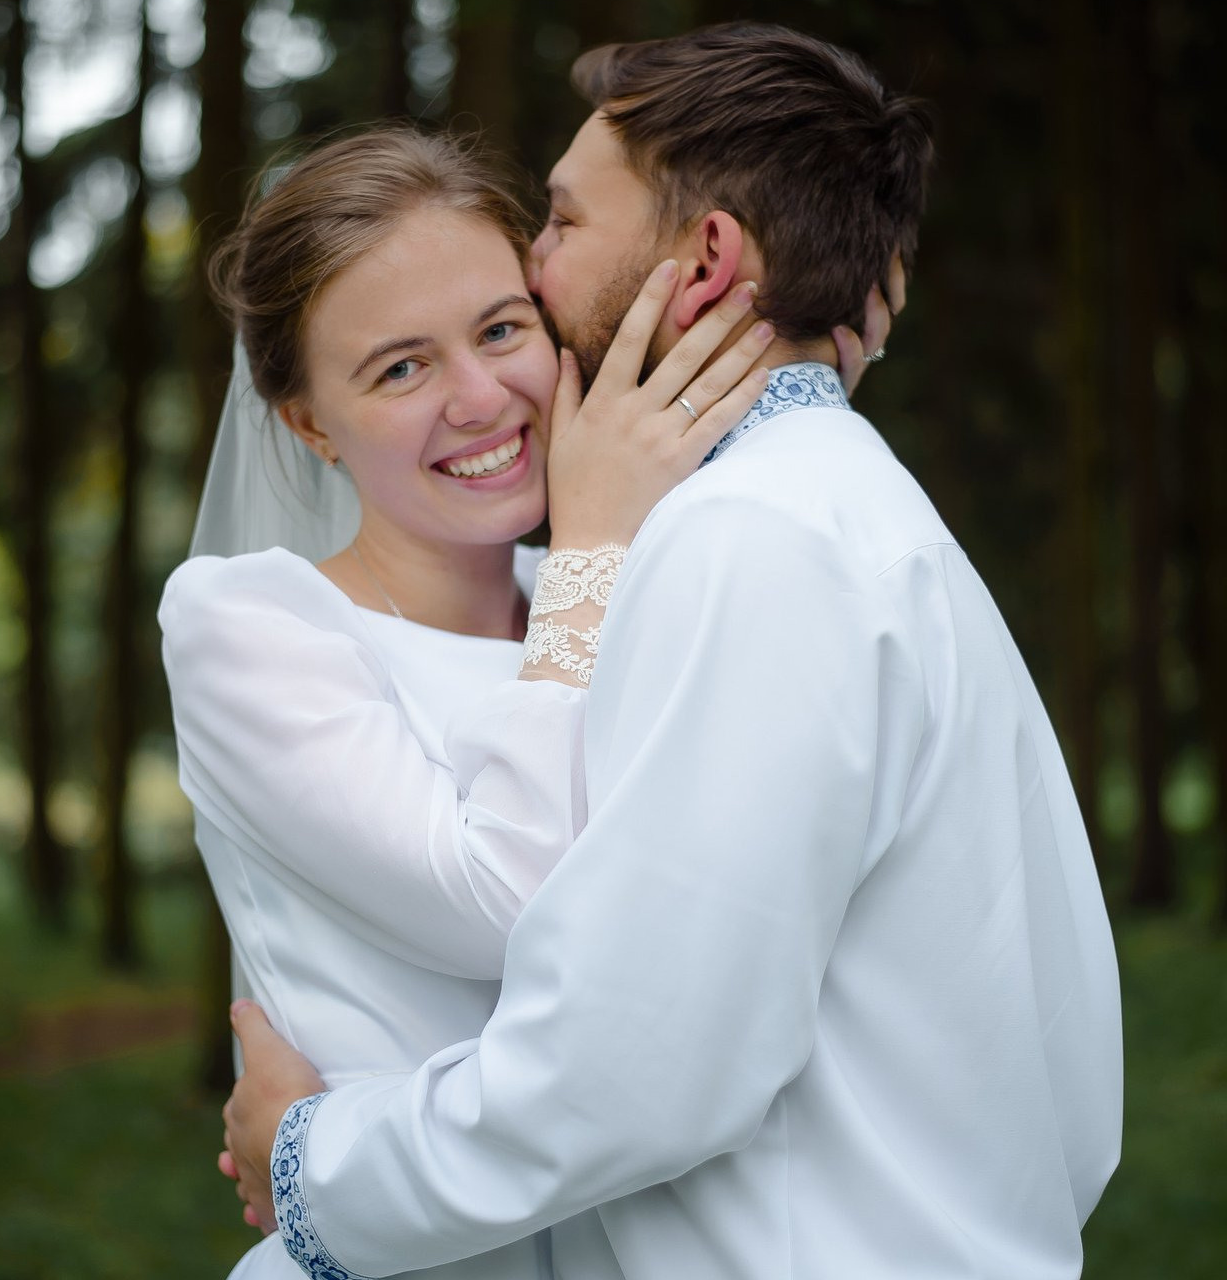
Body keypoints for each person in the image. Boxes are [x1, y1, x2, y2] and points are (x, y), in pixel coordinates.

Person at [222, 22, 1124, 1280]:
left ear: (702, 259)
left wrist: (312, 1161)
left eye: (561, 222)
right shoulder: (834, 508)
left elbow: (633, 1065)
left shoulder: (748, 542)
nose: (534, 269)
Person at [160, 124, 777, 1280]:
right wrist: (594, 537)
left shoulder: (594, 595)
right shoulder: (250, 625)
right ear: (306, 424)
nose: (481, 395)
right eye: (400, 367)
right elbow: (510, 899)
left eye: (501, 330)